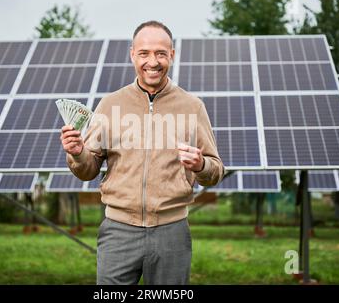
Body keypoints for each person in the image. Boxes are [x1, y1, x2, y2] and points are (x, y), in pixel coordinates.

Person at [60, 20, 224, 285]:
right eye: (144, 53)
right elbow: (87, 170)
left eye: (161, 53)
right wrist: (78, 153)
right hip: (118, 231)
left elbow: (215, 170)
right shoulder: (110, 104)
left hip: (172, 232)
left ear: (172, 54)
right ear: (132, 54)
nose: (153, 61)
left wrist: (200, 165)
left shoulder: (193, 107)